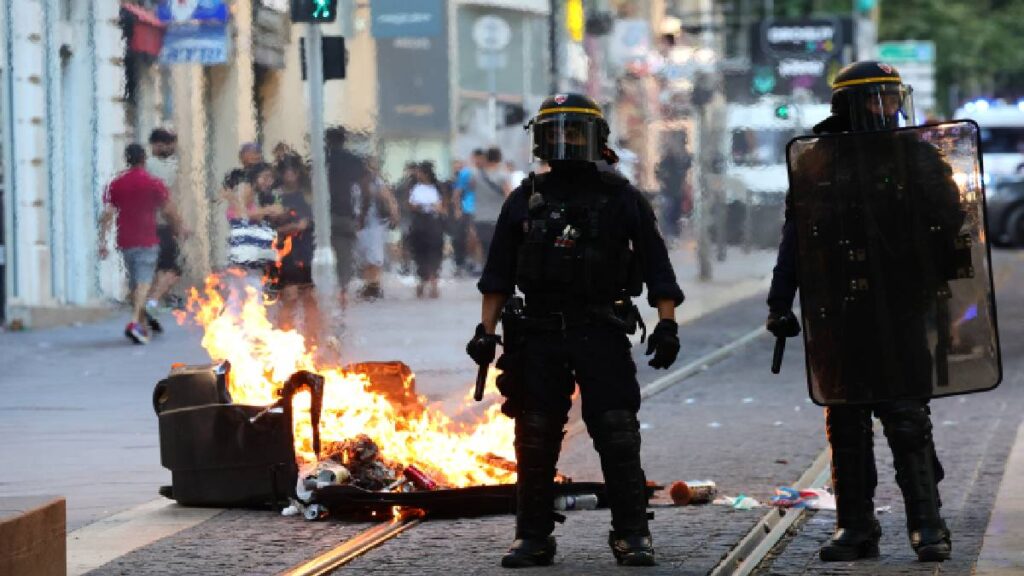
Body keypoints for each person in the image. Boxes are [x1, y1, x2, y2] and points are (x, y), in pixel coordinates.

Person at [466, 93, 684, 568]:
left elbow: (656, 265)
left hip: (600, 328)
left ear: (594, 141)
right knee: (535, 436)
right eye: (556, 132)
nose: (564, 140)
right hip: (538, 334)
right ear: (542, 139)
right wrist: (485, 332)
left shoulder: (623, 198)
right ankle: (533, 537)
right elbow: (498, 273)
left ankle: (631, 534)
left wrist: (666, 324)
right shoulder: (524, 199)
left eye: (574, 132)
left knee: (617, 432)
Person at [767, 61, 959, 563]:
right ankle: (856, 527)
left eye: (891, 98)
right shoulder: (818, 161)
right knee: (846, 423)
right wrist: (778, 302)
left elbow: (952, 221)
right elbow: (795, 239)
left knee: (907, 418)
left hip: (897, 308)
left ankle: (928, 525)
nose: (886, 108)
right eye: (875, 99)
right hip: (839, 311)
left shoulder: (916, 156)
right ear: (848, 105)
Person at [99, 144, 185, 344]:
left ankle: (142, 322)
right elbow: (169, 210)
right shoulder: (153, 183)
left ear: (126, 159)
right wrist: (179, 227)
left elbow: (108, 214)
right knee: (144, 282)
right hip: (147, 238)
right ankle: (136, 323)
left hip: (125, 240)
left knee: (134, 283)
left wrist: (103, 240)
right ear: (144, 160)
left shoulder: (116, 184)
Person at [268, 154, 320, 344]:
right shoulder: (275, 196)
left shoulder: (308, 195)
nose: (291, 175)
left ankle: (312, 337)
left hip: (306, 248)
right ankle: (284, 337)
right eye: (287, 171)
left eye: (294, 171)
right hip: (285, 252)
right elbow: (271, 225)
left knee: (309, 296)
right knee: (289, 295)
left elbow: (310, 222)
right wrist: (288, 229)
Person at [326, 128, 366, 307]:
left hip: (322, 216)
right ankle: (342, 289)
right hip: (346, 215)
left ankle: (324, 290)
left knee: (319, 253)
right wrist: (362, 215)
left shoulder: (320, 161)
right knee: (345, 254)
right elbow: (364, 189)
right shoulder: (355, 161)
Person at [353, 157, 399, 300]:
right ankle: (370, 285)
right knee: (364, 257)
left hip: (375, 224)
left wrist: (394, 214)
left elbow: (388, 198)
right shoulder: (353, 183)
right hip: (360, 224)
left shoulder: (375, 182)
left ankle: (374, 286)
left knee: (374, 257)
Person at [407, 162, 445, 298]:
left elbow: (442, 207)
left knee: (434, 252)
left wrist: (434, 206)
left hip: (433, 223)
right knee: (420, 253)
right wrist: (421, 206)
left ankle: (434, 282)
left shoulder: (437, 188)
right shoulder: (415, 188)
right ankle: (422, 281)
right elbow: (411, 205)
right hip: (419, 223)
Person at [473, 147, 512, 264]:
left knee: (485, 248)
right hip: (497, 218)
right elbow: (509, 195)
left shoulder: (476, 175)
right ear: (499, 158)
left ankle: (486, 270)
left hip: (480, 218)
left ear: (486, 158)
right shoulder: (503, 175)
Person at [452, 150, 485, 275]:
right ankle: (470, 261)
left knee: (480, 237)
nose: (480, 161)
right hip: (469, 208)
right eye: (478, 158)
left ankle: (478, 263)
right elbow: (457, 192)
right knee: (472, 236)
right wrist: (457, 209)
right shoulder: (466, 173)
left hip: (483, 210)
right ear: (473, 158)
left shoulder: (486, 173)